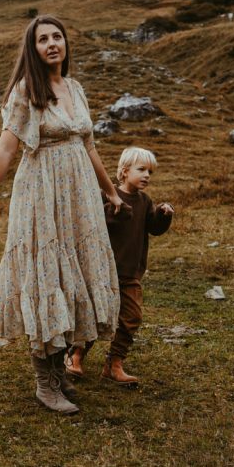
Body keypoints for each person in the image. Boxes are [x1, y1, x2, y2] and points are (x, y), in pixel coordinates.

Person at [0, 15, 124, 415]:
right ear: (33, 49)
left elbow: (89, 146)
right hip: (41, 193)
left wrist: (110, 191)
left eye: (58, 37)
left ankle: (58, 376)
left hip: (80, 199)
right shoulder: (26, 90)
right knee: (47, 276)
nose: (52, 44)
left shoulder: (75, 88)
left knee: (73, 276)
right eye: (43, 39)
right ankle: (45, 383)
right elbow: (5, 150)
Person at [66, 147, 174, 386]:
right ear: (124, 172)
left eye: (150, 172)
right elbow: (96, 221)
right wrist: (117, 211)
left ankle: (114, 364)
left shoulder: (145, 201)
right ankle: (75, 355)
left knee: (131, 317)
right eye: (141, 169)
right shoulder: (108, 195)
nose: (147, 175)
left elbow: (154, 228)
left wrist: (163, 215)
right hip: (102, 271)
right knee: (95, 316)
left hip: (130, 272)